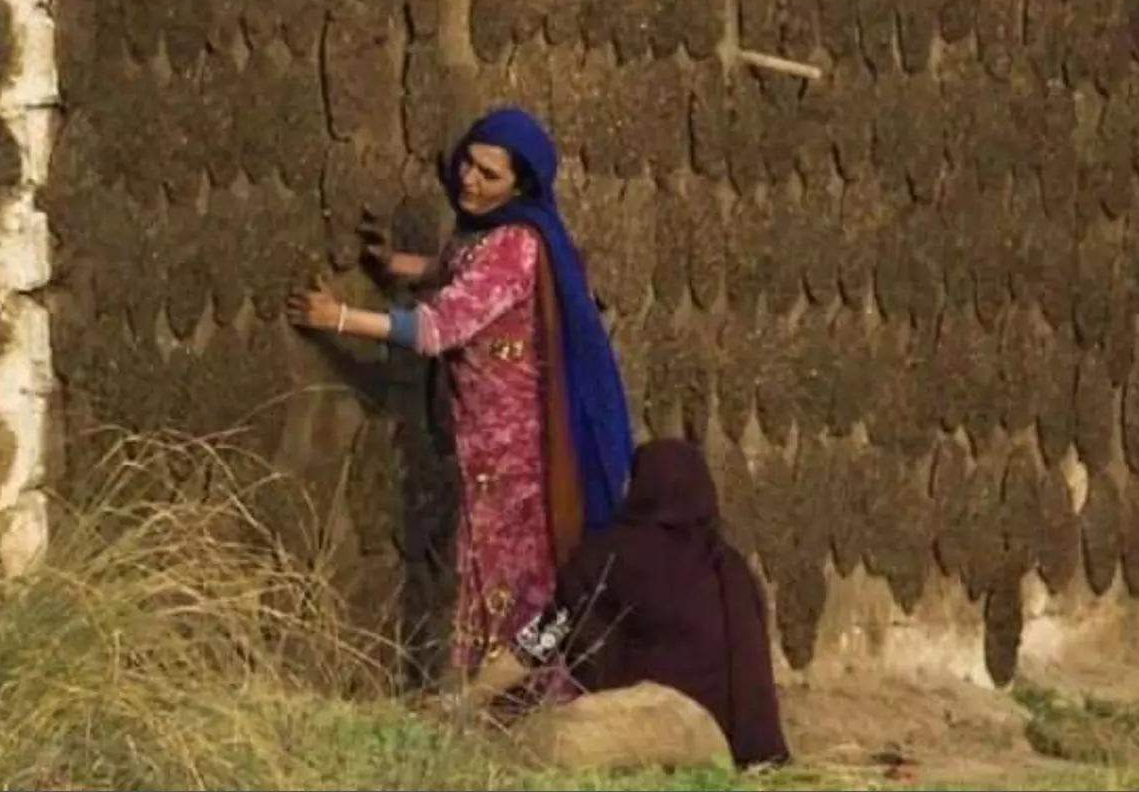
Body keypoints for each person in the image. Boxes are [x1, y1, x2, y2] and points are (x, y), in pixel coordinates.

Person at [283, 108, 636, 696]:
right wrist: (396, 265)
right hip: (484, 445)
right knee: (490, 573)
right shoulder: (492, 237)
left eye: (489, 175)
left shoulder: (518, 245)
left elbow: (437, 329)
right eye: (469, 163)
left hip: (516, 454)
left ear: (520, 186)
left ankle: (531, 699)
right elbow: (457, 270)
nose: (470, 180)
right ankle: (507, 698)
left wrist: (335, 317)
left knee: (515, 582)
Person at [513, 438, 791, 769]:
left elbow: (538, 643)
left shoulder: (606, 560)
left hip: (644, 740)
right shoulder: (730, 569)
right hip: (732, 752)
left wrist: (464, 698)